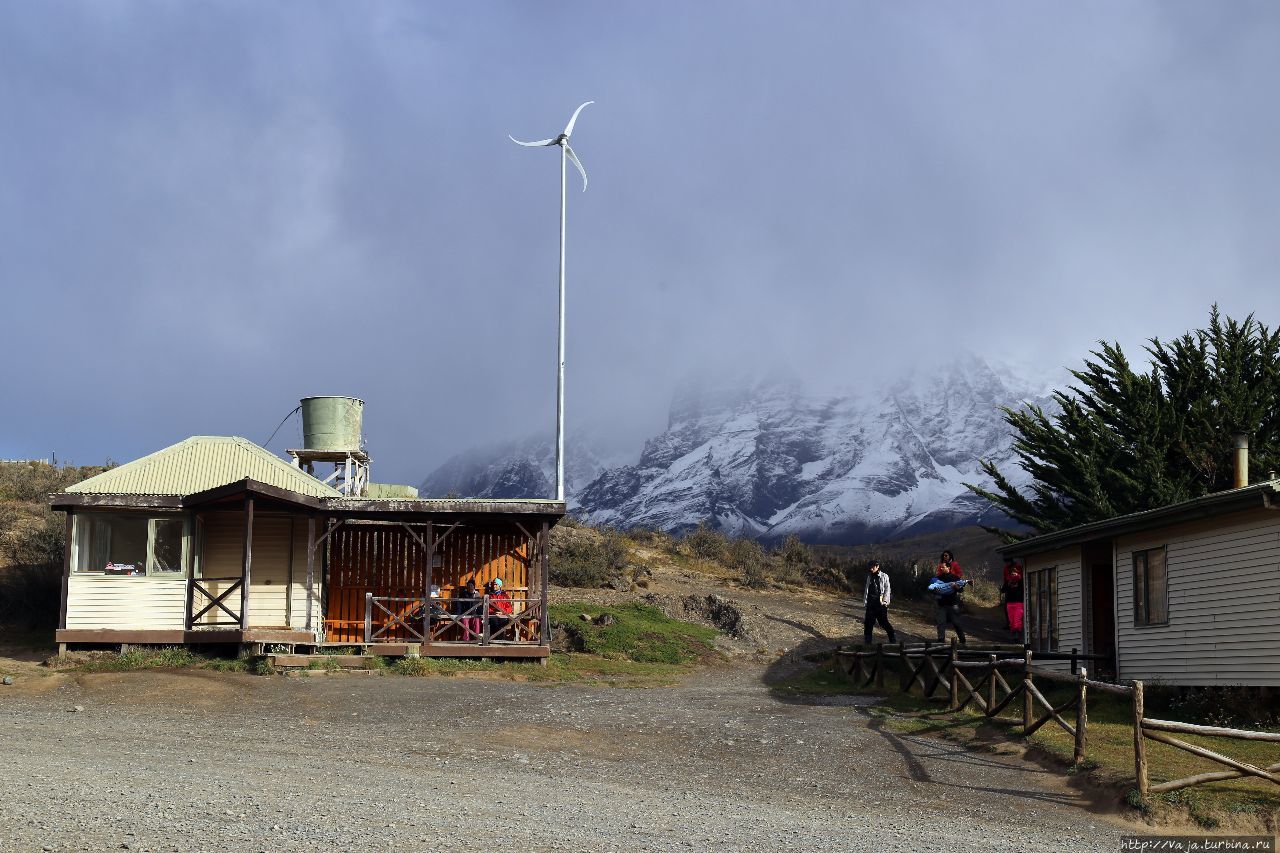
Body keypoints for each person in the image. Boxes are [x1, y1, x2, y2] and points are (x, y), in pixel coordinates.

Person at [928, 568, 969, 644]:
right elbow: (931, 589)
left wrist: (956, 587)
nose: (941, 568)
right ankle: (941, 640)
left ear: (948, 568)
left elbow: (961, 590)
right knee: (941, 623)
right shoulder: (937, 578)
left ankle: (962, 640)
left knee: (956, 622)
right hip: (941, 604)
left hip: (952, 604)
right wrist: (934, 591)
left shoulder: (955, 577)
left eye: (943, 567)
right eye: (940, 567)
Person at [862, 561, 897, 645]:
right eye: (870, 567)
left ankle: (892, 639)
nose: (871, 569)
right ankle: (868, 643)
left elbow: (887, 589)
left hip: (880, 604)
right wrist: (865, 602)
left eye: (873, 567)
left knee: (883, 623)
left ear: (877, 567)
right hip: (871, 604)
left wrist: (885, 601)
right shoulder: (869, 576)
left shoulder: (884, 576)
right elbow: (867, 590)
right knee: (868, 623)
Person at [1000, 569, 1025, 642]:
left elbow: (1024, 589)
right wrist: (1008, 585)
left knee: (1017, 619)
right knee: (1011, 620)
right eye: (1012, 574)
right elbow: (1003, 590)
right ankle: (1014, 635)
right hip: (1009, 603)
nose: (1013, 575)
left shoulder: (1021, 581)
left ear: (1018, 574)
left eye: (1015, 574)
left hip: (1018, 603)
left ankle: (1017, 635)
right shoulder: (1008, 581)